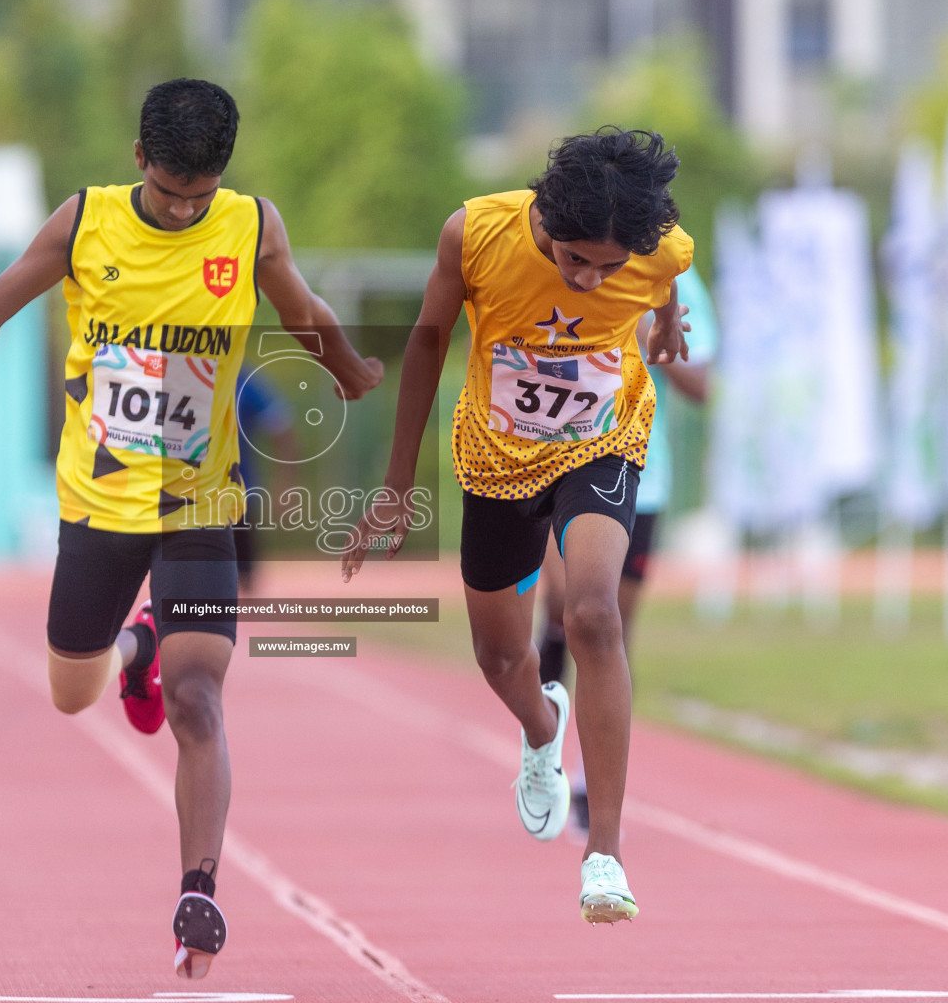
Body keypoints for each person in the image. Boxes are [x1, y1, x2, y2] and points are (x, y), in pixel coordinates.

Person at [0, 78, 382, 978]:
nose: (186, 211)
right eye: (171, 191)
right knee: (74, 692)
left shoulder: (251, 225)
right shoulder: (84, 224)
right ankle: (133, 654)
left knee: (200, 699)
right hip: (98, 503)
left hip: (202, 502)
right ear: (139, 160)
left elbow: (305, 314)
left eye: (202, 193)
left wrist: (346, 367)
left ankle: (199, 894)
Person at [341, 127, 691, 924]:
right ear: (545, 216)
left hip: (602, 440)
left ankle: (603, 853)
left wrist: (665, 323)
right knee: (502, 656)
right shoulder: (477, 234)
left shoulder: (660, 246)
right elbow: (428, 347)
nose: (593, 278)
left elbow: (668, 271)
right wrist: (397, 484)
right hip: (496, 457)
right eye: (576, 261)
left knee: (594, 613)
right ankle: (542, 728)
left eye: (610, 267)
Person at [538, 264, 717, 837]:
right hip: (554, 465)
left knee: (608, 630)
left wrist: (650, 330)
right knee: (569, 609)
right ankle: (542, 748)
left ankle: (592, 783)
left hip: (639, 476)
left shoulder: (677, 282)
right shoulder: (561, 262)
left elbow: (700, 388)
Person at [233, 364, 300, 594]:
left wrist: (285, 484)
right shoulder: (187, 374)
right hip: (190, 495)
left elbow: (282, 430)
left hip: (239, 494)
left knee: (245, 572)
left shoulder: (246, 381)